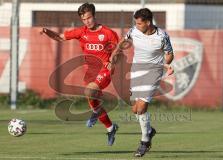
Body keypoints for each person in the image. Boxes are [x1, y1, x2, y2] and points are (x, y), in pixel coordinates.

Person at [42, 2, 119, 146]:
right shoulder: (81, 32)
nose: (87, 21)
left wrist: (112, 61)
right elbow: (60, 37)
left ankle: (96, 112)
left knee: (90, 90)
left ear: (94, 16)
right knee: (93, 100)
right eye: (84, 19)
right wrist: (48, 32)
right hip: (90, 72)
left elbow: (117, 50)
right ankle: (110, 127)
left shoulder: (108, 33)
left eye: (89, 18)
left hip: (105, 69)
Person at [111, 8, 174, 157]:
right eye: (136, 23)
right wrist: (116, 52)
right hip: (137, 71)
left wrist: (167, 63)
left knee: (141, 107)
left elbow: (169, 54)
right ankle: (150, 131)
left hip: (154, 72)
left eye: (139, 23)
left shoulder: (162, 36)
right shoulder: (134, 31)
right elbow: (124, 40)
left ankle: (144, 142)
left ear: (148, 22)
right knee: (135, 109)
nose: (137, 26)